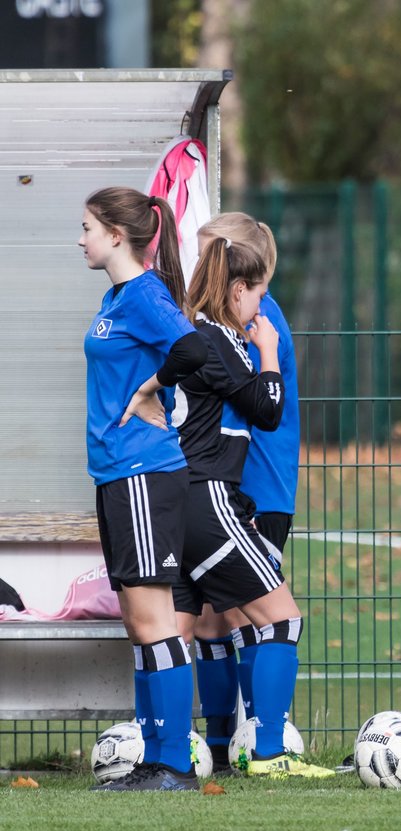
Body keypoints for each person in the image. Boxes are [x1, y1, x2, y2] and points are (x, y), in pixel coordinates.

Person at [169, 223, 332, 778]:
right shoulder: (227, 334)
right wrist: (264, 352)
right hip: (218, 497)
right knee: (274, 620)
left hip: (231, 492)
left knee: (194, 628)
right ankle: (265, 749)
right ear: (238, 285)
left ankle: (204, 750)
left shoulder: (208, 326)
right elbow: (266, 404)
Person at [81, 187, 208, 791]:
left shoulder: (145, 293)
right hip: (115, 474)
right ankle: (154, 760)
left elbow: (194, 347)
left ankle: (173, 764)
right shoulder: (115, 298)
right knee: (138, 619)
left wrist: (152, 388)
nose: (79, 239)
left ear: (115, 235)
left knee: (155, 618)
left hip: (143, 472)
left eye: (86, 227)